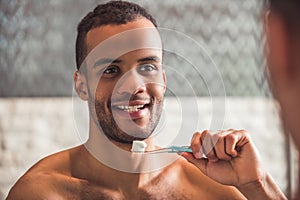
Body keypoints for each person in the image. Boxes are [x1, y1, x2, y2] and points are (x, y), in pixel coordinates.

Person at [6, 1, 285, 199]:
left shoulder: (215, 190)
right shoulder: (41, 192)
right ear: (81, 86)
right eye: (111, 70)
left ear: (163, 79)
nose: (134, 86)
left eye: (147, 67)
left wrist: (257, 184)